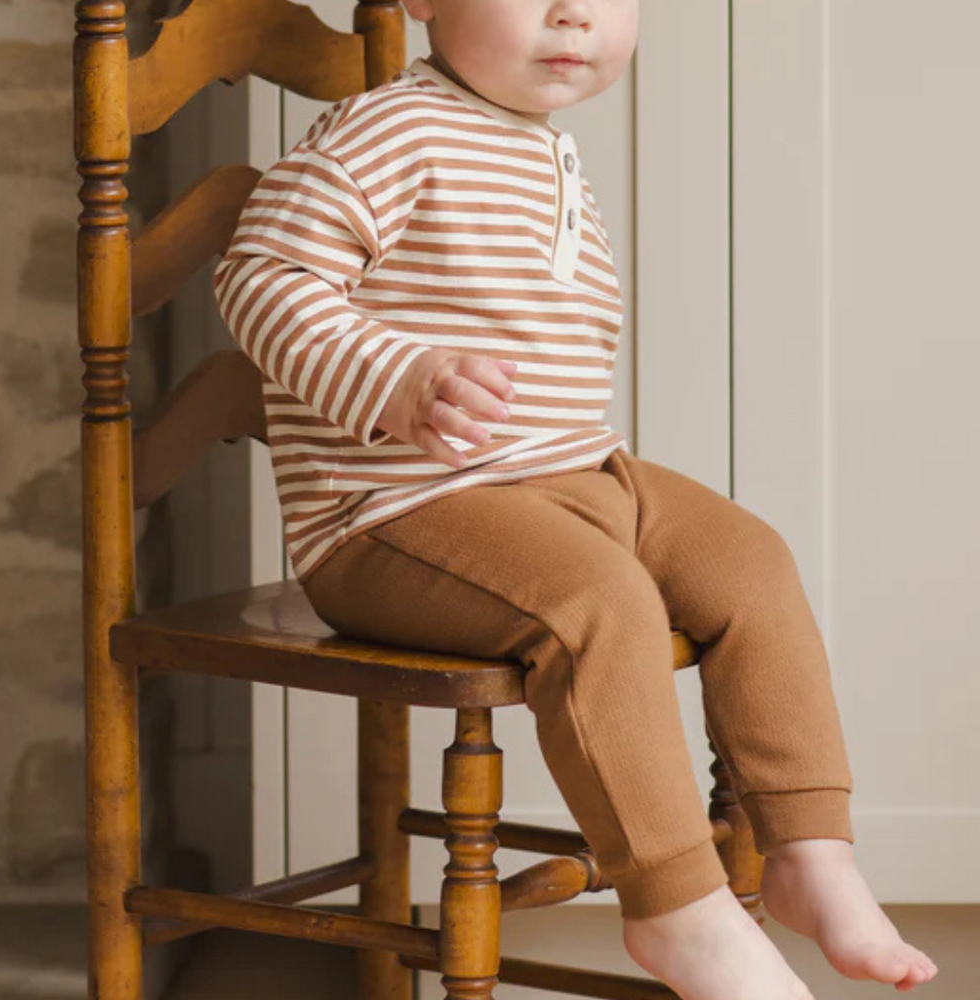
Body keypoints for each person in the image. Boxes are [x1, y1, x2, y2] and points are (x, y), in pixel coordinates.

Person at [212, 1, 939, 996]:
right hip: (396, 509)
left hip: (569, 476)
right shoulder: (389, 129)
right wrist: (397, 377)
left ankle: (810, 852)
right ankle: (679, 906)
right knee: (601, 601)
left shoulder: (535, 144)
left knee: (748, 560)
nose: (572, 12)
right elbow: (262, 274)